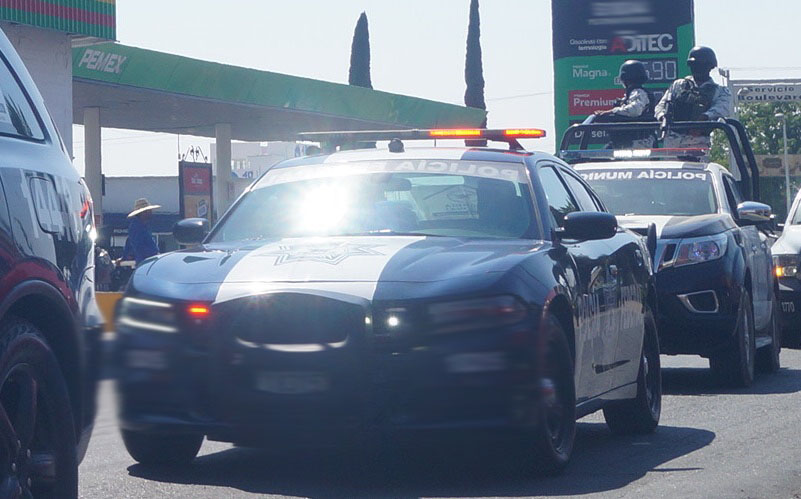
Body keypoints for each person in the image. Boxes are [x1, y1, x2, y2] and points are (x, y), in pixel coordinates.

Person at [654, 46, 733, 148]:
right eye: (694, 65)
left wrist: (703, 118)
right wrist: (663, 117)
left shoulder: (720, 91)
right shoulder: (678, 85)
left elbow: (721, 109)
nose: (697, 68)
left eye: (701, 65)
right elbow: (660, 107)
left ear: (710, 66)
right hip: (672, 139)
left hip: (698, 140)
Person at [594, 60, 654, 148]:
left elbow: (635, 110)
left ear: (625, 78)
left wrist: (612, 111)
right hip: (626, 144)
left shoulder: (639, 93)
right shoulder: (630, 95)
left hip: (639, 144)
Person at [120, 198, 161, 265]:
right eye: (149, 211)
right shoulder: (136, 227)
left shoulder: (142, 225)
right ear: (143, 212)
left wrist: (124, 256)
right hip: (145, 262)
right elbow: (139, 247)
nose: (151, 212)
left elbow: (129, 242)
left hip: (147, 261)